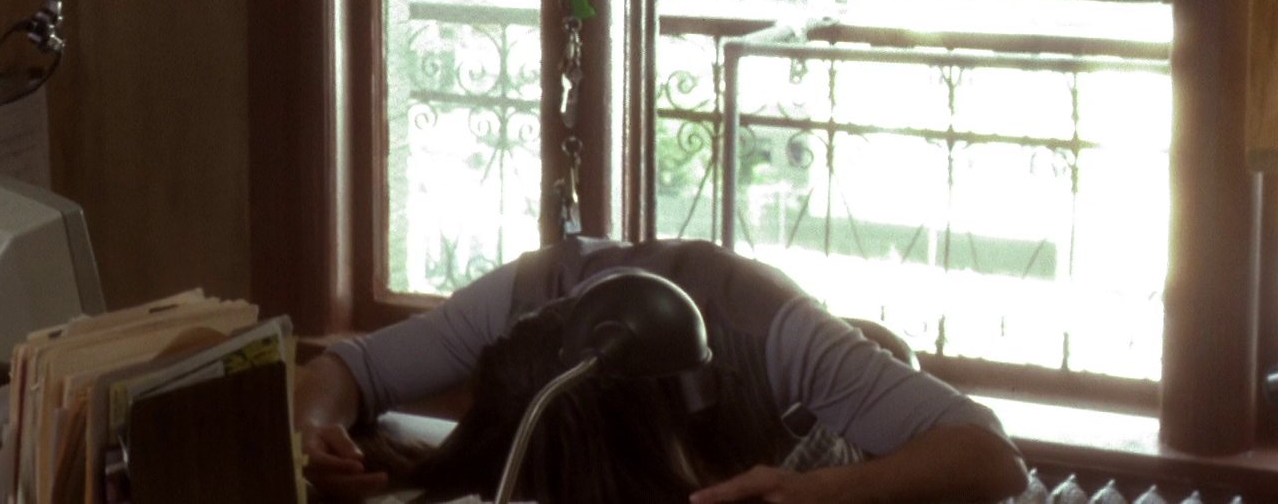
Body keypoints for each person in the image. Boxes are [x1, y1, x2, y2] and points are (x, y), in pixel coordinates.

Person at [295, 237, 1028, 504]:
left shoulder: (774, 332)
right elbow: (349, 368)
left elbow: (993, 458)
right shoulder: (522, 304)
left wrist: (821, 493)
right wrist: (311, 430)